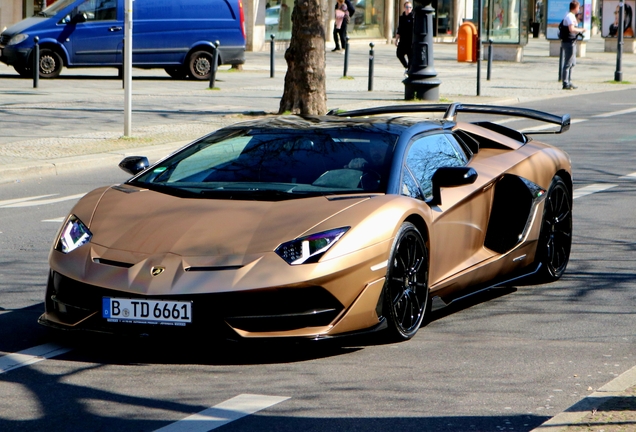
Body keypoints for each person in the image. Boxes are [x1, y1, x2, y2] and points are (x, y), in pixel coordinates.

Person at [560, 1, 585, 90]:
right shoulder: (570, 16)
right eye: (578, 8)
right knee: (568, 62)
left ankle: (569, 81)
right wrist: (580, 30)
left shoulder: (571, 15)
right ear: (575, 8)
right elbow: (571, 29)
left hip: (571, 41)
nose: (579, 10)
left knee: (572, 62)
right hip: (568, 41)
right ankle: (565, 83)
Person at [395, 1, 414, 74]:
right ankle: (406, 67)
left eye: (410, 7)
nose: (408, 9)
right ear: (404, 8)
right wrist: (396, 39)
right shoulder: (401, 17)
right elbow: (399, 29)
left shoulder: (413, 17)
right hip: (403, 40)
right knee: (399, 54)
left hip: (410, 41)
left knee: (410, 58)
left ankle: (409, 72)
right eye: (407, 7)